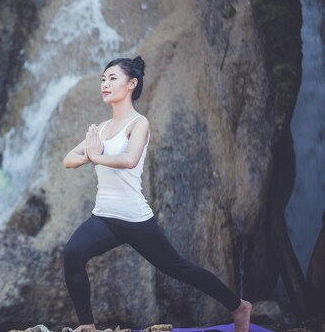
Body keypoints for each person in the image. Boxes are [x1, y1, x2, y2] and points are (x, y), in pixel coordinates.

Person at [61, 56, 252, 332]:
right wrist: (88, 156)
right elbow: (68, 158)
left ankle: (239, 306)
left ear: (132, 84)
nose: (105, 84)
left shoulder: (139, 123)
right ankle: (87, 326)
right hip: (104, 217)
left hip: (135, 218)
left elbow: (129, 158)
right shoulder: (100, 129)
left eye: (112, 78)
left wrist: (96, 157)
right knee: (72, 253)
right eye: (103, 79)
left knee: (178, 268)